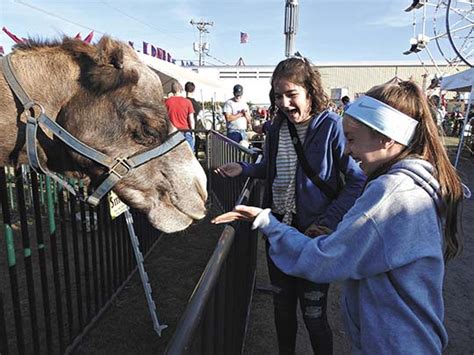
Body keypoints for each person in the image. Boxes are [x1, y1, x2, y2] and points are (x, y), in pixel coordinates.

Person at [212, 80, 465, 354]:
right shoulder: (413, 185)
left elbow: (326, 260)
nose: (347, 150)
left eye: (353, 139)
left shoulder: (392, 193)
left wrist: (267, 222)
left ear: (387, 137)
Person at [215, 57, 366, 354]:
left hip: (313, 236)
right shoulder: (276, 128)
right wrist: (244, 169)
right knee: (282, 309)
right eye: (278, 95)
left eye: (291, 94)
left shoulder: (332, 128)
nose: (284, 102)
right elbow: (273, 168)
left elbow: (356, 181)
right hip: (277, 232)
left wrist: (327, 221)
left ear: (310, 91)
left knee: (313, 316)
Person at [165, 80, 195, 150]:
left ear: (172, 90)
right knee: (189, 154)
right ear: (181, 89)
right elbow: (191, 119)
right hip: (185, 131)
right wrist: (193, 132)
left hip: (172, 133)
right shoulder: (187, 102)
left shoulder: (167, 102)